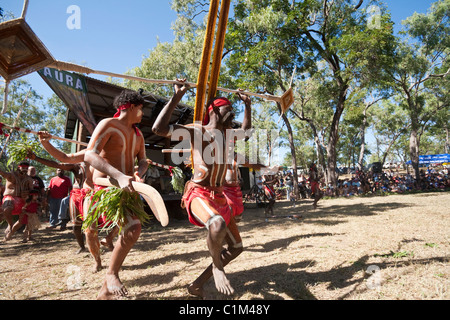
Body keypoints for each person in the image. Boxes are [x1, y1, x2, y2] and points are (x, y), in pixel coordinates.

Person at [153, 79, 247, 298]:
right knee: (217, 224)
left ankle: (197, 285)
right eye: (229, 108)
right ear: (214, 109)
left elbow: (247, 131)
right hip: (198, 193)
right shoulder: (197, 131)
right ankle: (217, 267)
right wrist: (177, 97)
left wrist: (248, 105)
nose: (233, 113)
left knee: (236, 248)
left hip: (220, 196)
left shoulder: (228, 136)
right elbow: (159, 129)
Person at [83, 89, 148, 299]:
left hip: (127, 189)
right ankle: (109, 273)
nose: (142, 114)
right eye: (140, 109)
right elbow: (89, 155)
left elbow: (143, 159)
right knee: (128, 228)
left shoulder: (138, 134)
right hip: (107, 188)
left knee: (133, 229)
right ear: (130, 106)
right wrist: (118, 175)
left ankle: (105, 290)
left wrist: (140, 171)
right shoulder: (108, 124)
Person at [1, 161, 34, 239]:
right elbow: (2, 173)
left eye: (26, 168)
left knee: (22, 220)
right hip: (10, 198)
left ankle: (10, 233)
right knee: (7, 207)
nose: (25, 169)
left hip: (22, 200)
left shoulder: (28, 179)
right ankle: (10, 224)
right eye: (23, 168)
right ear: (19, 167)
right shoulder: (11, 175)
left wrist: (28, 193)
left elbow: (32, 191)